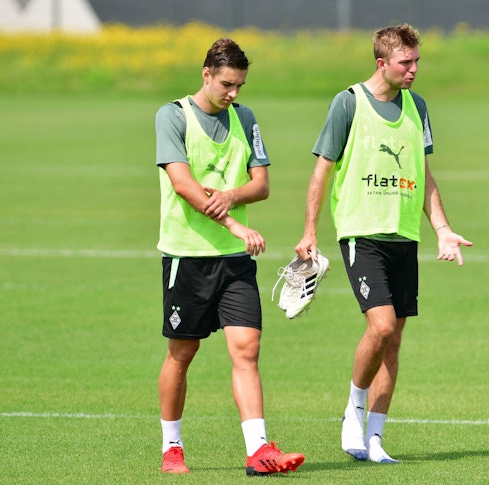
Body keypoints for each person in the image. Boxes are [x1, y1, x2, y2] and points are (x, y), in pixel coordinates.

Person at [294, 24, 472, 464]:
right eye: (404, 63)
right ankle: (353, 409)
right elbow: (322, 171)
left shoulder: (417, 106)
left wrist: (443, 229)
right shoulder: (348, 103)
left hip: (404, 235)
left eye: (416, 62)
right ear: (382, 63)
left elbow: (425, 174)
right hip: (361, 233)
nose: (413, 70)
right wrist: (310, 232)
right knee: (382, 326)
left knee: (393, 342)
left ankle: (374, 439)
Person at [154, 37, 304, 476]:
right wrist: (236, 223)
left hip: (234, 261)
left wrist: (232, 195)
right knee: (181, 354)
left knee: (247, 349)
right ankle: (172, 447)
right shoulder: (172, 116)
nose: (234, 93)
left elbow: (261, 185)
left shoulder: (245, 118)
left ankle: (258, 451)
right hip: (188, 256)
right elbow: (182, 183)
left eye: (239, 85)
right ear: (206, 74)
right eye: (226, 84)